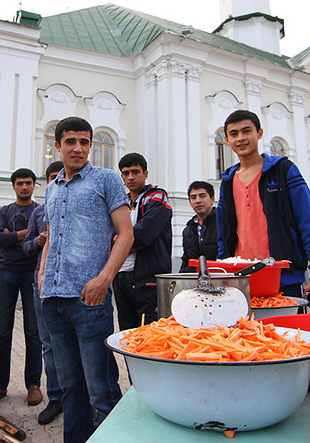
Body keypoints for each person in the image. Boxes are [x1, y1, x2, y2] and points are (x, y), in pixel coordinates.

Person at [37, 116, 134, 443]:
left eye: (84, 142)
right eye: (70, 142)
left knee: (101, 389)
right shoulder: (51, 187)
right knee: (70, 388)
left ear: (90, 145)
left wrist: (104, 279)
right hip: (53, 300)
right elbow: (51, 236)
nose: (78, 148)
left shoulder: (106, 180)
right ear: (57, 145)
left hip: (89, 299)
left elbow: (126, 234)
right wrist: (41, 276)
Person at [216, 109, 310, 310]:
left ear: (259, 133)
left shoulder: (284, 170)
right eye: (234, 134)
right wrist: (221, 271)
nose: (241, 138)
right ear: (227, 139)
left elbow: (308, 222)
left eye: (246, 131)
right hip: (240, 281)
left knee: (289, 339)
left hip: (283, 279)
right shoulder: (227, 182)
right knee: (247, 339)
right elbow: (223, 234)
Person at [0, 168, 43, 407]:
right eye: (20, 183)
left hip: (31, 273)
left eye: (28, 183)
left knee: (33, 332)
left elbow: (41, 238)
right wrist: (24, 235)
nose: (24, 187)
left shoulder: (39, 211)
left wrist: (13, 236)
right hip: (6, 272)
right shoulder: (4, 211)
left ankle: (33, 384)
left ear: (33, 185)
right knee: (3, 332)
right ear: (13, 186)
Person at [22, 160, 64, 425]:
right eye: (50, 177)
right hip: (44, 285)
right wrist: (38, 241)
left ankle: (82, 396)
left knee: (76, 343)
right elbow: (26, 246)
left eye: (58, 177)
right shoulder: (38, 213)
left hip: (74, 285)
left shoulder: (81, 203)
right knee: (48, 344)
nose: (54, 182)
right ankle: (56, 397)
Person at [113, 152, 172, 331]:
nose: (131, 177)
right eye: (126, 173)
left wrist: (120, 242)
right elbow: (107, 237)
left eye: (135, 172)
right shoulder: (119, 202)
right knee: (126, 333)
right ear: (121, 176)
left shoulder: (157, 197)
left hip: (148, 278)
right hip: (121, 277)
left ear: (145, 174)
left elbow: (145, 233)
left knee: (150, 332)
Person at [180, 181, 219, 273]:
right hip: (195, 282)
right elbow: (186, 261)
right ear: (190, 202)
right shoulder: (188, 230)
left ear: (212, 199)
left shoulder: (223, 223)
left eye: (202, 196)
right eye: (193, 197)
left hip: (220, 278)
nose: (198, 201)